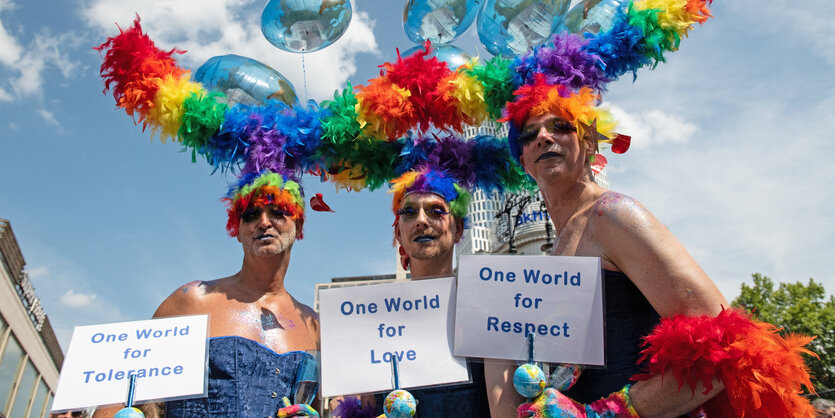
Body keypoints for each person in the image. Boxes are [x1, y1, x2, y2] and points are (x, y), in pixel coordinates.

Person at [483, 75, 817, 417]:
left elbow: (728, 345)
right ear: (523, 162)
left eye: (561, 126)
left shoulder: (612, 214)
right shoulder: (562, 245)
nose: (544, 137)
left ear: (589, 145)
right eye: (529, 133)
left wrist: (605, 413)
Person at [94, 171, 320, 418]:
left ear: (299, 225)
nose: (264, 222)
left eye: (278, 211)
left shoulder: (312, 325)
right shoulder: (192, 300)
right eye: (251, 215)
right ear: (237, 230)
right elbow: (119, 397)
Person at [333, 167, 491, 417]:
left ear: (458, 229)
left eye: (435, 211)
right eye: (409, 212)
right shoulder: (373, 324)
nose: (421, 220)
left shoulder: (486, 316)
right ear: (399, 233)